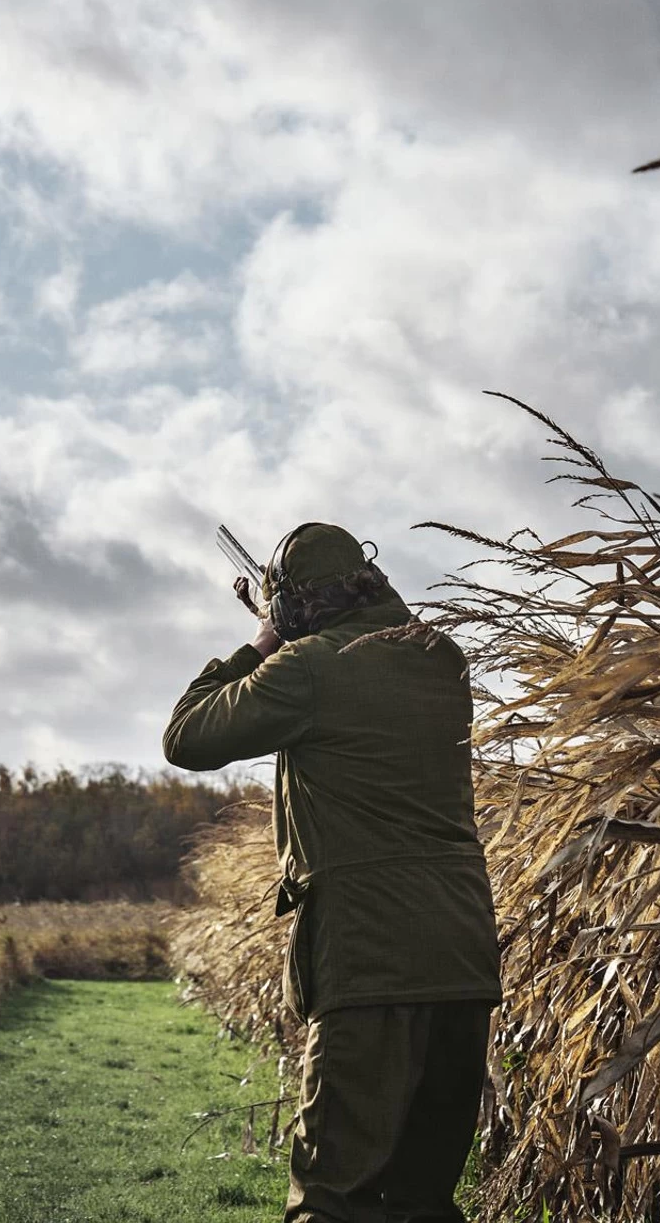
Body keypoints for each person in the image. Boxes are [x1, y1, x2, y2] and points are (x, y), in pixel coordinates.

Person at [163, 522, 502, 1223]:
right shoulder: (443, 659)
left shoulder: (308, 667)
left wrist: (262, 639)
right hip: (463, 956)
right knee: (422, 1200)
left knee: (333, 1197)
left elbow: (187, 736)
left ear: (294, 609)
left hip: (370, 956)